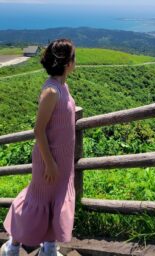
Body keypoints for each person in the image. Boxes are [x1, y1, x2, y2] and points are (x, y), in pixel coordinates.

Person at [0, 38, 77, 256]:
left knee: (54, 203)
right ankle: (13, 245)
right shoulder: (51, 91)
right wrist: (50, 164)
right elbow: (38, 130)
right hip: (49, 162)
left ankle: (49, 248)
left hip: (62, 162)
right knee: (36, 203)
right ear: (67, 62)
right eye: (73, 57)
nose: (75, 61)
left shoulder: (62, 86)